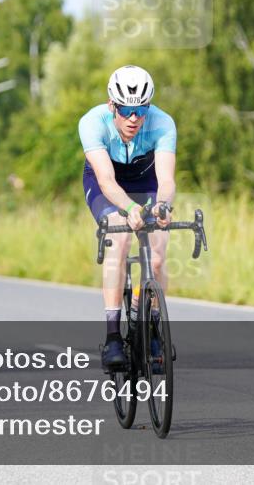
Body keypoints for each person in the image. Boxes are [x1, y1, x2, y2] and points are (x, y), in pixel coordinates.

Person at [79, 65, 176, 370]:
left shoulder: (162, 123)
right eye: (126, 110)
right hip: (104, 184)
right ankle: (112, 338)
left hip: (145, 182)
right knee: (119, 238)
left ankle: (150, 324)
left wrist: (162, 206)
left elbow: (167, 180)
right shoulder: (92, 123)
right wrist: (129, 209)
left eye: (141, 109)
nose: (134, 118)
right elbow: (107, 181)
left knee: (158, 254)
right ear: (112, 105)